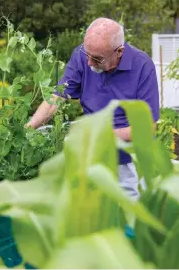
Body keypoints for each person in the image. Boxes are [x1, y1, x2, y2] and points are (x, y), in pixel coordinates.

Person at [27, 18, 160, 199]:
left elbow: (147, 128)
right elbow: (57, 97)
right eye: (87, 54)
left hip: (129, 161)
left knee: (130, 218)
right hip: (92, 156)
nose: (89, 63)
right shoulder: (83, 56)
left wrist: (98, 133)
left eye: (97, 58)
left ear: (119, 52)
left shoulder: (143, 66)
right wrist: (29, 127)